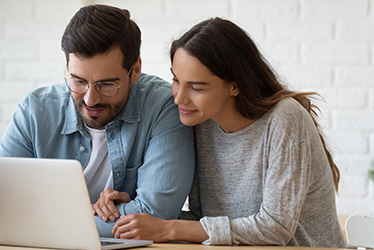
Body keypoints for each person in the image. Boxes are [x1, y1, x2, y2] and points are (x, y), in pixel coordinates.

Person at [105, 18, 346, 248]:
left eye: (196, 87)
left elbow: (276, 227)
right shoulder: (201, 122)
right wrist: (143, 215)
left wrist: (170, 229)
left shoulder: (284, 118)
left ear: (235, 85)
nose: (178, 98)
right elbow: (206, 221)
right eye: (176, 80)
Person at [0, 4, 195, 238]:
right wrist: (93, 215)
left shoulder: (164, 107)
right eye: (78, 81)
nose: (90, 99)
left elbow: (156, 215)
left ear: (135, 70)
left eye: (107, 84)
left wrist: (34, 220)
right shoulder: (35, 111)